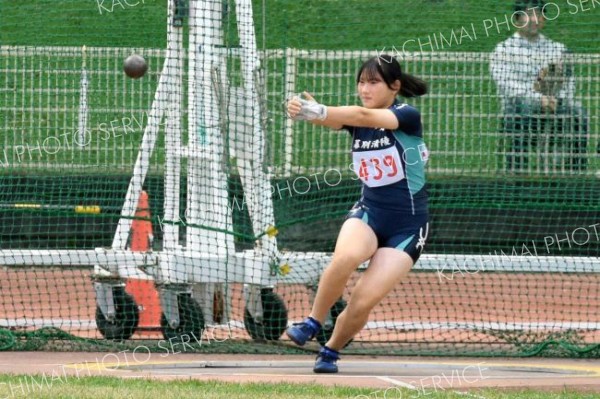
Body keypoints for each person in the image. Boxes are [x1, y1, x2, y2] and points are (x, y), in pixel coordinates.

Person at [285, 54, 430, 373]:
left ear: (395, 86)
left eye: (374, 82)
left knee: (362, 301)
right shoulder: (356, 119)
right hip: (369, 212)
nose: (365, 88)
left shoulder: (406, 115)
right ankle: (312, 321)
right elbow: (335, 118)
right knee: (346, 257)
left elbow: (365, 115)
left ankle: (331, 350)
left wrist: (321, 110)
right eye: (361, 82)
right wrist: (303, 110)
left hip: (407, 227)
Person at [490, 0, 588, 173]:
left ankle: (576, 172)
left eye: (539, 14)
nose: (534, 19)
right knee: (522, 107)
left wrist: (556, 99)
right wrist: (539, 99)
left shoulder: (558, 49)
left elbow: (569, 82)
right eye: (528, 14)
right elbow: (507, 85)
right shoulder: (503, 50)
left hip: (554, 106)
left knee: (578, 111)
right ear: (517, 18)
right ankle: (516, 173)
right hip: (521, 109)